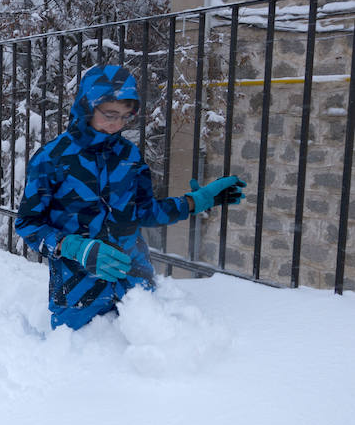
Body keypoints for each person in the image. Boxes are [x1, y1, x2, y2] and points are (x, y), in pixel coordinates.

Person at [15, 64, 246, 330]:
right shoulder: (52, 159)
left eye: (125, 117)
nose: (117, 125)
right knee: (81, 361)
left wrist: (198, 201)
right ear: (86, 106)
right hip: (78, 289)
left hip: (135, 280)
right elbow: (28, 224)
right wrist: (73, 247)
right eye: (110, 114)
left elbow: (146, 212)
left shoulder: (129, 156)